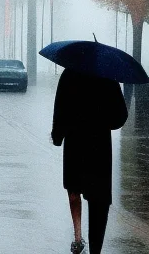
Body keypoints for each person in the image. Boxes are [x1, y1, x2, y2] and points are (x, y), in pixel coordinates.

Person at [51, 68, 128, 254]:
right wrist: (103, 119)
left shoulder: (70, 73)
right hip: (99, 145)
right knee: (98, 200)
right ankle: (96, 249)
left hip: (74, 141)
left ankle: (78, 237)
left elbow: (59, 107)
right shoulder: (108, 76)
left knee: (74, 189)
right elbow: (120, 116)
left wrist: (58, 135)